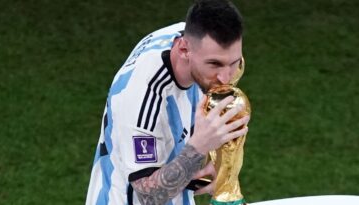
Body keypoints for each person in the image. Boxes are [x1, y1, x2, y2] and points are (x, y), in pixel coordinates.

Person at [85, 0, 250, 204]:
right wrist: (199, 146)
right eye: (214, 64)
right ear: (183, 50)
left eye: (234, 63)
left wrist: (213, 172)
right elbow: (148, 195)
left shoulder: (198, 43)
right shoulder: (140, 98)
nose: (225, 78)